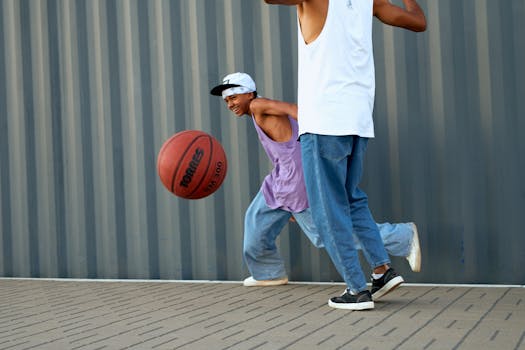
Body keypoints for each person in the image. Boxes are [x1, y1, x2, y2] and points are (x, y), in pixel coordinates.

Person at [263, 0, 426, 310]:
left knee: (328, 213)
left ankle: (356, 290)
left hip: (324, 122)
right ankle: (382, 271)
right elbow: (418, 22)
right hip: (358, 121)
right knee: (351, 200)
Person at [210, 72, 421, 290]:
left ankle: (402, 237)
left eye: (234, 97)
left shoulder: (258, 105)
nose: (230, 104)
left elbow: (295, 109)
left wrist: (323, 132)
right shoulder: (258, 111)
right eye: (226, 100)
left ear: (249, 93)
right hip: (281, 178)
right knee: (256, 219)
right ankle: (268, 273)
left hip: (296, 181)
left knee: (324, 234)